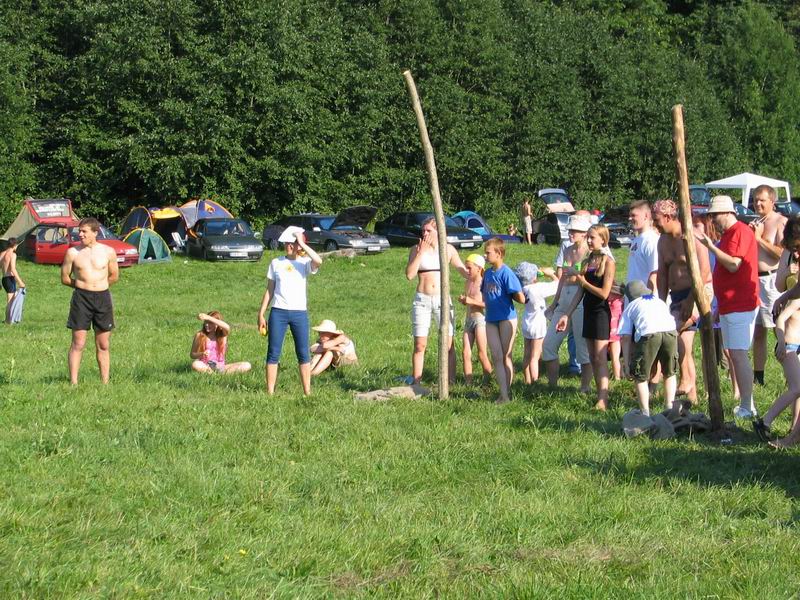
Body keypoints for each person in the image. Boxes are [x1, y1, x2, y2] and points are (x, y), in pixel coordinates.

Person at [695, 195, 760, 419]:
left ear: (727, 213)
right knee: (733, 353)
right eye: (711, 216)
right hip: (728, 303)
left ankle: (748, 406)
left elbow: (733, 264)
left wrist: (710, 247)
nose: (712, 220)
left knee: (739, 354)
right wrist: (718, 306)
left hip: (741, 303)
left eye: (715, 215)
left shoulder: (740, 231)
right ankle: (745, 404)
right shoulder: (728, 234)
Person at [654, 199, 711, 404]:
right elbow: (662, 275)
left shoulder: (692, 237)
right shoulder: (662, 241)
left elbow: (704, 271)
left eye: (657, 220)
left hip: (700, 291)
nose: (655, 224)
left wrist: (690, 300)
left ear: (668, 217)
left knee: (672, 331)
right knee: (683, 345)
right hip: (676, 295)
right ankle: (692, 398)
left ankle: (686, 380)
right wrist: (660, 305)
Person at [556, 224, 616, 410]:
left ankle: (603, 399)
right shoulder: (587, 261)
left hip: (600, 313)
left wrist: (581, 280)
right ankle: (598, 394)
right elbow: (580, 293)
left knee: (600, 358)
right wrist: (566, 314)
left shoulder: (608, 262)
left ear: (603, 240)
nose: (588, 240)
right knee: (592, 357)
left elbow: (604, 293)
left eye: (592, 237)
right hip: (588, 312)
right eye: (588, 237)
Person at [257, 227, 323, 395]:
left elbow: (319, 261)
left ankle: (307, 392)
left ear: (299, 245)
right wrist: (261, 313)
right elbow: (269, 290)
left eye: (292, 243)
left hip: (299, 313)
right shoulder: (276, 263)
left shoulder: (304, 263)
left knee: (303, 353)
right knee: (273, 352)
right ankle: (270, 393)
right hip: (278, 312)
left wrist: (302, 243)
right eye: (287, 243)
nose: (289, 246)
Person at [405, 216, 468, 384]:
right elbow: (410, 275)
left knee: (448, 344)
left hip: (442, 300)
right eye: (423, 230)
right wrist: (421, 253)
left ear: (439, 231)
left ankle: (450, 381)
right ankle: (416, 382)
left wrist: (476, 274)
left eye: (429, 230)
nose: (425, 234)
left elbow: (462, 270)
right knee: (420, 344)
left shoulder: (448, 249)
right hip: (422, 300)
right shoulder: (416, 249)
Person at [60, 217, 119, 385]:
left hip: (102, 298)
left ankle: (105, 383)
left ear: (95, 232)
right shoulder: (73, 252)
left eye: (84, 231)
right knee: (78, 343)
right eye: (79, 231)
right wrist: (82, 286)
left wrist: (98, 286)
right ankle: (73, 383)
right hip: (81, 299)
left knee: (103, 344)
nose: (80, 234)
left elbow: (114, 276)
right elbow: (65, 278)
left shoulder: (108, 252)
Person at [543, 215, 593, 391]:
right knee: (548, 345)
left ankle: (585, 387)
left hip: (580, 299)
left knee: (582, 348)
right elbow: (562, 279)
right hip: (564, 295)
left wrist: (576, 273)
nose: (571, 233)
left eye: (574, 231)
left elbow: (590, 280)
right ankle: (552, 386)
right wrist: (554, 302)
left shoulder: (590, 253)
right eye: (570, 230)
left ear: (584, 233)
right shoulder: (567, 249)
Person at [618, 280, 679, 416]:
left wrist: (627, 364)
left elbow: (626, 337)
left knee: (640, 376)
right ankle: (670, 409)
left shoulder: (631, 306)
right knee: (669, 373)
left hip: (649, 334)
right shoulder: (659, 301)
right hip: (671, 332)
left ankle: (645, 413)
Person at [753, 288, 800, 448]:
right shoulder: (796, 300)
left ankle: (794, 428)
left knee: (798, 390)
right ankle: (765, 421)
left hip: (796, 347)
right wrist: (781, 342)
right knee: (796, 388)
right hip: (788, 346)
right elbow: (780, 319)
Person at [749, 185, 787, 386]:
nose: (758, 203)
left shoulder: (780, 222)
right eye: (755, 199)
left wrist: (758, 239)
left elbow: (782, 253)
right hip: (754, 281)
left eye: (762, 200)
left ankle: (791, 372)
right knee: (758, 331)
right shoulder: (756, 222)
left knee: (778, 328)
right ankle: (758, 378)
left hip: (772, 281)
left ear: (772, 201)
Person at [482, 238, 525, 403]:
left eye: (488, 253)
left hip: (506, 319)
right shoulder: (487, 274)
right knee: (496, 355)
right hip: (490, 318)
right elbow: (485, 294)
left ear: (498, 253)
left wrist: (516, 294)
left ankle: (506, 392)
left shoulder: (506, 273)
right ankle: (503, 394)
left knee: (506, 355)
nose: (485, 255)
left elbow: (520, 297)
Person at [516, 261, 559, 384]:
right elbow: (557, 285)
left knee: (527, 355)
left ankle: (527, 380)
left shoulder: (523, 289)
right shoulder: (537, 288)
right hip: (537, 325)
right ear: (534, 278)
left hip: (526, 323)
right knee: (535, 357)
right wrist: (551, 274)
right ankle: (534, 382)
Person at [458, 254, 492, 385]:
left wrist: (471, 301)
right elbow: (469, 301)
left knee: (481, 353)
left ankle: (488, 380)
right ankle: (468, 383)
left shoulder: (484, 283)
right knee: (465, 352)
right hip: (468, 320)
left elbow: (488, 304)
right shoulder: (468, 282)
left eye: (469, 268)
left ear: (479, 268)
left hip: (480, 320)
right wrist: (464, 301)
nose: (467, 271)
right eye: (466, 267)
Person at [627, 200, 659, 292]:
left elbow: (655, 274)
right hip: (634, 298)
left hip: (645, 298)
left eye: (633, 215)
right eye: (630, 215)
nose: (630, 218)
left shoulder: (651, 240)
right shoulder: (636, 240)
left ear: (646, 216)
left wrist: (649, 298)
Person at [1, 238, 25, 324]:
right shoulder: (13, 254)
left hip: (4, 279)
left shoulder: (2, 254)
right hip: (10, 279)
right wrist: (20, 282)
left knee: (12, 299)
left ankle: (10, 319)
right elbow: (13, 269)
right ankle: (8, 320)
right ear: (15, 245)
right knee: (10, 301)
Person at [607, 283, 624, 380]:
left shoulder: (609, 301)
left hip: (610, 332)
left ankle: (617, 376)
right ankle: (619, 375)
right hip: (616, 332)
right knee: (615, 357)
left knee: (613, 357)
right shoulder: (621, 302)